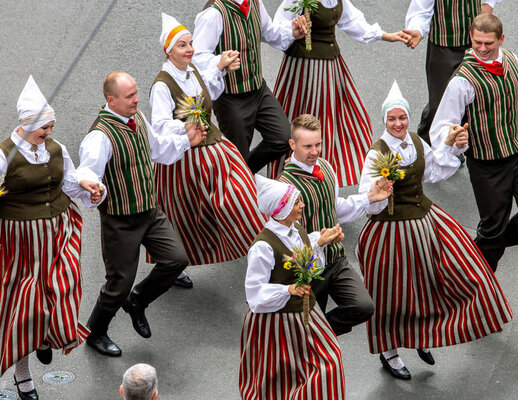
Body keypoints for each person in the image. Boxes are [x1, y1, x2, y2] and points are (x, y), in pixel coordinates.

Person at [357, 80, 512, 380]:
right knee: (392, 293)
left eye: (402, 117)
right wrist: (378, 191)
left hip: (425, 224)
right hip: (390, 232)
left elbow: (434, 171)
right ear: (384, 120)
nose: (398, 123)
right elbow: (368, 199)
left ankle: (420, 336)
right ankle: (389, 351)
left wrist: (452, 147)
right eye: (392, 118)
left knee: (429, 282)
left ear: (408, 118)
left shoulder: (416, 142)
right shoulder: (376, 154)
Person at [0, 76, 102, 399]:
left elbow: (68, 181)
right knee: (23, 310)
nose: (48, 134)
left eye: (51, 127)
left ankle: (46, 335)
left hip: (58, 232)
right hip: (19, 244)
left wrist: (87, 186)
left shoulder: (55, 149)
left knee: (65, 285)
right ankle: (23, 374)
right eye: (44, 128)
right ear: (26, 125)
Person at [74, 71, 206, 357]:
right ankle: (96, 332)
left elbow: (156, 149)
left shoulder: (138, 120)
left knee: (175, 260)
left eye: (136, 93)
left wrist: (186, 141)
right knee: (118, 283)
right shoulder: (100, 136)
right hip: (120, 220)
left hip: (149, 211)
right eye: (130, 96)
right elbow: (87, 170)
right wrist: (92, 187)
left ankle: (138, 300)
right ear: (112, 100)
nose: (136, 99)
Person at [430, 14, 518, 272]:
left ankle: (482, 248)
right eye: (477, 42)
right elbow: (443, 125)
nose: (481, 48)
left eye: (488, 43)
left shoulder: (511, 60)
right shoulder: (462, 80)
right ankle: (479, 284)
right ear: (471, 38)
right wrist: (453, 139)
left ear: (501, 39)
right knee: (492, 230)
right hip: (487, 166)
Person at [148, 13, 266, 272]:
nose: (190, 49)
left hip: (216, 151)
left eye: (190, 43)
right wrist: (185, 127)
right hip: (185, 158)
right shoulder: (162, 85)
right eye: (182, 45)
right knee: (184, 216)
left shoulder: (192, 71)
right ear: (168, 51)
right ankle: (170, 266)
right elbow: (159, 125)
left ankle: (260, 248)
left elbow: (209, 93)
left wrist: (219, 68)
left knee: (240, 194)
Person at [267, 0, 411, 186]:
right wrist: (293, 30)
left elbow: (353, 22)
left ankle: (323, 172)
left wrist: (385, 35)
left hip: (330, 69)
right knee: (300, 118)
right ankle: (291, 172)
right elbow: (278, 27)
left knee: (334, 120)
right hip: (302, 69)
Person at [278, 114, 392, 336]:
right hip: (308, 270)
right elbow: (285, 239)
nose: (314, 151)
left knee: (363, 307)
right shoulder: (285, 187)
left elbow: (335, 207)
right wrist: (318, 241)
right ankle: (314, 339)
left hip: (336, 259)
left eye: (318, 144)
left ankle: (321, 336)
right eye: (308, 146)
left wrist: (369, 197)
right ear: (292, 145)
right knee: (305, 327)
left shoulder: (326, 167)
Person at [240, 174, 345, 399]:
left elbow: (302, 255)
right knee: (279, 379)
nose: (302, 205)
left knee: (329, 362)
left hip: (307, 311)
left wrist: (320, 241)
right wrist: (286, 290)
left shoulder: (296, 228)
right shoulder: (263, 247)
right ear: (282, 208)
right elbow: (254, 292)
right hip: (276, 321)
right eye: (296, 202)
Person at [192, 0, 307, 174]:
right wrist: (220, 62)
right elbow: (198, 57)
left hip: (258, 90)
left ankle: (244, 174)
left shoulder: (255, 3)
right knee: (238, 154)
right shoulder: (213, 13)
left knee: (282, 138)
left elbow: (269, 32)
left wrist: (292, 33)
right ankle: (239, 180)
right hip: (230, 97)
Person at [404, 0, 501, 146]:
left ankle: (458, 144)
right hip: (443, 46)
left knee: (473, 97)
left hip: (475, 42)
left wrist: (488, 5)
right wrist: (417, 29)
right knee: (440, 102)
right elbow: (421, 7)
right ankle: (426, 143)